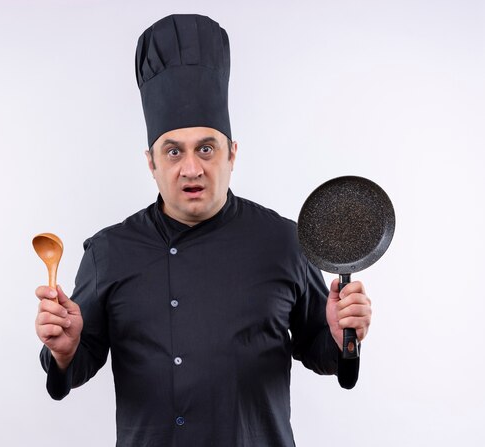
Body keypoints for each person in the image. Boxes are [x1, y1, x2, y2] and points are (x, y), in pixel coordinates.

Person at [34, 14, 372, 447]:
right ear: (151, 163)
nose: (191, 168)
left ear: (232, 154)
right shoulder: (109, 252)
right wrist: (64, 353)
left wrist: (342, 334)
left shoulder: (284, 241)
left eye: (206, 149)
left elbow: (325, 356)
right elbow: (75, 365)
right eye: (173, 151)